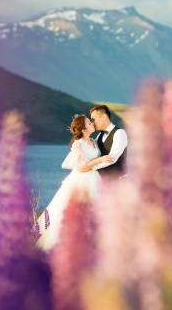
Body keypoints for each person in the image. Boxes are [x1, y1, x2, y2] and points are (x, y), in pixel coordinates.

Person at [36, 114, 114, 251]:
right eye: (89, 123)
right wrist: (100, 160)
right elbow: (80, 167)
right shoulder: (79, 144)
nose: (92, 124)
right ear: (83, 129)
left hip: (95, 179)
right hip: (82, 181)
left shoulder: (94, 142)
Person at [89, 104, 128, 179]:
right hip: (102, 182)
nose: (92, 122)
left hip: (118, 181)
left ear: (103, 116)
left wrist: (91, 167)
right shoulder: (99, 136)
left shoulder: (119, 133)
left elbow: (112, 159)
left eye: (94, 119)